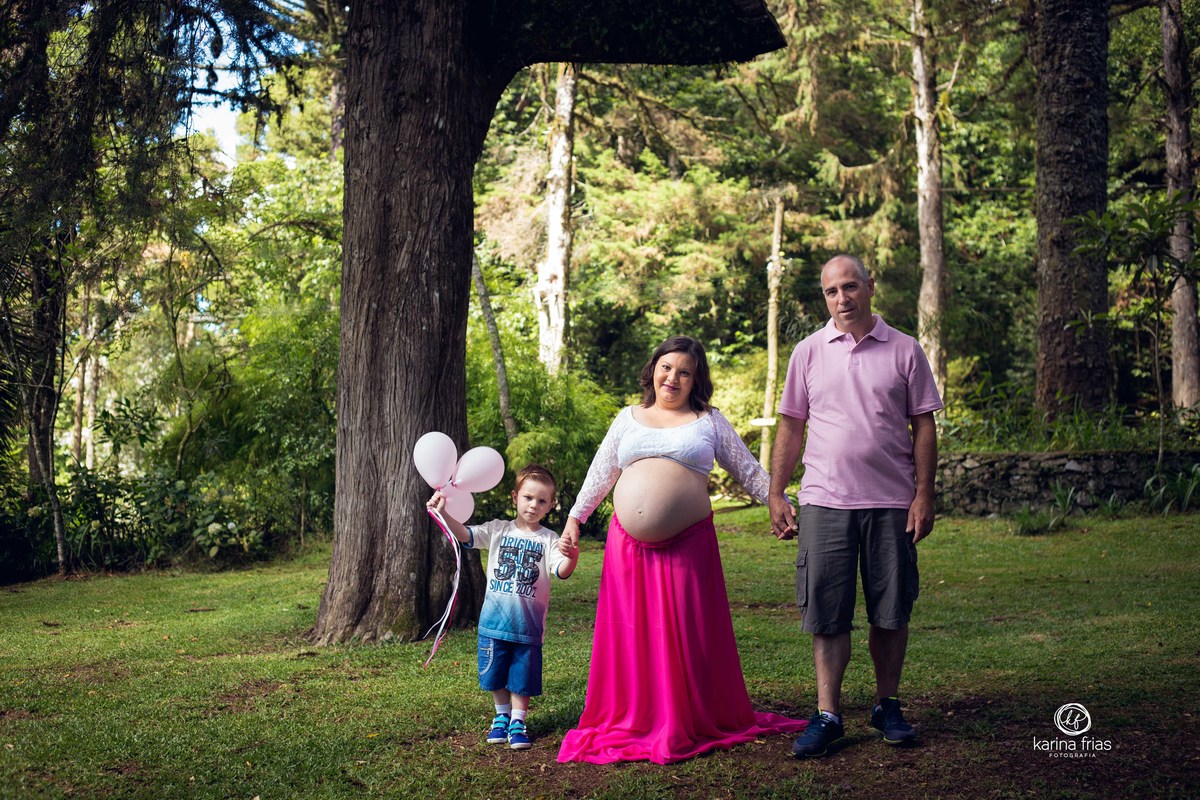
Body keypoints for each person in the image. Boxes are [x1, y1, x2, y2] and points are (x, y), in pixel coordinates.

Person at [556, 335, 806, 765]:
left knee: (689, 633)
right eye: (666, 367)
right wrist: (575, 518)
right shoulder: (628, 418)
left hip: (688, 544)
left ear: (696, 380)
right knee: (632, 634)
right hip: (626, 547)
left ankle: (686, 716)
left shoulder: (708, 421)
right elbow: (601, 472)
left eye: (684, 372)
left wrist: (778, 502)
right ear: (653, 369)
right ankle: (638, 716)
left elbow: (748, 470)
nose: (673, 377)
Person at [768, 254, 943, 758]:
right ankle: (828, 715)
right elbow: (791, 426)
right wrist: (778, 492)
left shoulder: (906, 350)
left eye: (849, 287)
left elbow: (924, 425)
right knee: (827, 613)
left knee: (890, 610)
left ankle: (888, 705)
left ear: (870, 286)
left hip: (891, 501)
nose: (841, 299)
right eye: (831, 292)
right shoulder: (807, 352)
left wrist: (924, 493)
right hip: (825, 500)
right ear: (823, 297)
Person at [427, 463, 578, 750]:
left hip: (528, 628)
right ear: (515, 497)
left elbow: (562, 571)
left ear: (550, 506)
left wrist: (572, 555)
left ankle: (518, 721)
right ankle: (501, 716)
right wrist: (442, 512)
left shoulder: (550, 540)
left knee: (522, 677)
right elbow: (465, 535)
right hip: (493, 623)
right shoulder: (498, 530)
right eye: (528, 498)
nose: (534, 505)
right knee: (494, 672)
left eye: (542, 501)